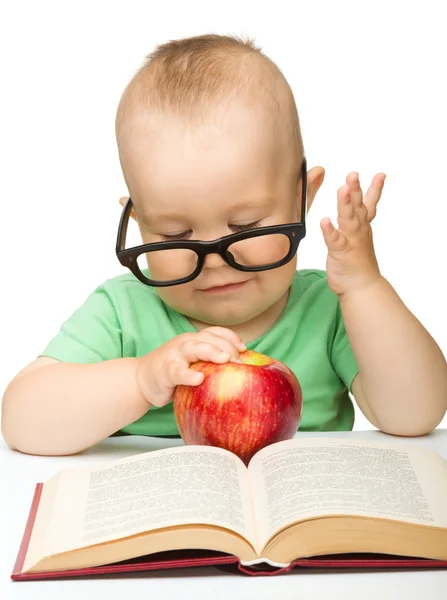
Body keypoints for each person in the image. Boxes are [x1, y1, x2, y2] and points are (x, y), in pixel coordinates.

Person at [2, 34, 446, 456]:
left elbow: (416, 414)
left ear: (302, 202)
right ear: (138, 225)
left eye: (246, 224)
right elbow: (22, 420)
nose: (214, 259)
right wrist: (140, 379)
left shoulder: (329, 308)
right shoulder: (122, 313)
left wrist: (364, 285)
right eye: (175, 235)